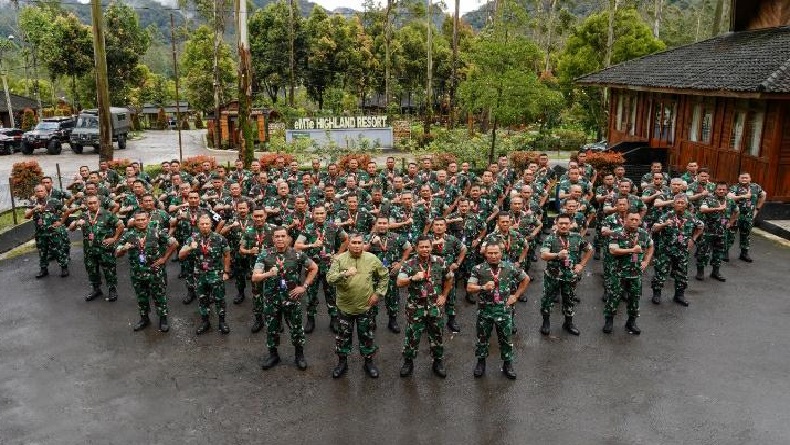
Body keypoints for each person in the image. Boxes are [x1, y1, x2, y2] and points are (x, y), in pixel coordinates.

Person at [253, 227, 318, 371]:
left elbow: (314, 268)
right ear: (273, 238)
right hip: (272, 298)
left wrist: (304, 286)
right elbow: (255, 276)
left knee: (296, 328)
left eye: (283, 236)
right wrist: (268, 274)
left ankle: (299, 355)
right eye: (277, 236)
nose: (280, 239)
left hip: (291, 298)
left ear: (288, 238)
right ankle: (273, 355)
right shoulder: (265, 254)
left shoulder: (297, 254)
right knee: (272, 328)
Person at [326, 233, 389, 379]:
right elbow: (329, 278)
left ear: (363, 244)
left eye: (359, 243)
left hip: (365, 307)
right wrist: (345, 274)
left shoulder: (371, 258)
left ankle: (369, 362)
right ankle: (342, 362)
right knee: (343, 337)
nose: (356, 245)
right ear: (348, 244)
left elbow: (384, 275)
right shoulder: (340, 259)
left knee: (366, 336)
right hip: (344, 308)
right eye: (353, 242)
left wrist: (378, 294)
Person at [466, 243, 529, 379]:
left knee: (506, 338)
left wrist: (515, 296)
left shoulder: (509, 267)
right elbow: (469, 288)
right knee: (482, 338)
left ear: (501, 253)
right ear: (485, 254)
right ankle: (481, 362)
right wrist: (482, 287)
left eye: (496, 253)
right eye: (490, 253)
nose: (493, 256)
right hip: (485, 311)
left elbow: (525, 279)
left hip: (504, 310)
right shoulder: (478, 269)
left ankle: (508, 364)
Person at [396, 236, 454, 378]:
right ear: (416, 248)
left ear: (431, 247)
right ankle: (408, 361)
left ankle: (438, 361)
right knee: (412, 335)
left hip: (435, 306)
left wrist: (444, 296)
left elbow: (449, 278)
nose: (425, 249)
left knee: (437, 335)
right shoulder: (409, 264)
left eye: (427, 246)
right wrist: (412, 278)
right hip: (415, 307)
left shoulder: (440, 262)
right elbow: (399, 282)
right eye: (421, 247)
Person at [116, 210, 179, 332]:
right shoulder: (129, 235)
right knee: (141, 297)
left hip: (155, 271)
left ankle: (163, 319)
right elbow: (117, 253)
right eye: (138, 220)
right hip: (137, 273)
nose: (141, 222)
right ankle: (144, 318)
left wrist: (164, 259)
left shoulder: (156, 232)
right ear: (134, 221)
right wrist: (124, 249)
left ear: (148, 219)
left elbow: (175, 244)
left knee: (159, 295)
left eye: (143, 219)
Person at [294, 205, 348, 334]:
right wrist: (312, 244)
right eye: (317, 213)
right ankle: (310, 319)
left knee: (331, 294)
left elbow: (346, 239)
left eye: (322, 213)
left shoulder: (333, 227)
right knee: (311, 294)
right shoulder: (308, 228)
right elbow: (297, 246)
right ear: (312, 214)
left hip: (330, 266)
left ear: (326, 214)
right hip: (313, 267)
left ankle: (334, 319)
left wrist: (339, 254)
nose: (319, 216)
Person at [539, 213, 593, 336]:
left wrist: (581, 265)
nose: (563, 226)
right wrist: (557, 255)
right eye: (561, 223)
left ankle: (568, 323)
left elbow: (589, 249)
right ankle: (546, 322)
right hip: (553, 276)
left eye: (566, 223)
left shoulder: (577, 237)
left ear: (570, 224)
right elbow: (543, 255)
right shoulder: (550, 239)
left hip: (570, 276)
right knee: (547, 299)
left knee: (569, 299)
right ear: (556, 224)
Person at [179, 214, 232, 335]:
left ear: (211, 225)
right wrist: (189, 249)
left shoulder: (219, 238)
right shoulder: (193, 239)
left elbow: (227, 255)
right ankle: (205, 322)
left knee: (219, 299)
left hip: (216, 274)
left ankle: (222, 321)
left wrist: (226, 272)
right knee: (202, 299)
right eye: (202, 224)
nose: (204, 226)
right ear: (198, 225)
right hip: (200, 275)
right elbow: (180, 256)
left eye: (207, 224)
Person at [605, 211, 654, 335]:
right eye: (631, 219)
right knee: (613, 297)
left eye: (636, 220)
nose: (634, 222)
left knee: (634, 299)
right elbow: (613, 250)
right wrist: (632, 250)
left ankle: (631, 322)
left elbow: (651, 246)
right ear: (626, 219)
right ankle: (609, 321)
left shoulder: (643, 234)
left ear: (639, 221)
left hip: (635, 273)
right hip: (618, 272)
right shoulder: (617, 233)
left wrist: (646, 261)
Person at [650, 195, 704, 306]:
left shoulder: (691, 217)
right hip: (666, 251)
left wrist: (693, 239)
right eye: (677, 202)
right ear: (673, 204)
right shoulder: (667, 215)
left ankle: (679, 295)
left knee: (681, 274)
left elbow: (701, 226)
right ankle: (657, 294)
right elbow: (654, 228)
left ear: (686, 204)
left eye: (682, 202)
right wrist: (664, 224)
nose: (680, 204)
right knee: (660, 272)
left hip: (682, 251)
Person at [69, 195, 124, 302]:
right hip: (89, 250)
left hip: (105, 250)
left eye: (94, 202)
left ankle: (112, 290)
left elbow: (120, 226)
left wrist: (114, 238)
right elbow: (71, 228)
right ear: (86, 204)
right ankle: (96, 289)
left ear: (98, 202)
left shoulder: (107, 214)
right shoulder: (83, 215)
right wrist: (76, 223)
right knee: (92, 270)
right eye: (90, 203)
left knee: (109, 270)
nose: (93, 205)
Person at [363, 216, 412, 333]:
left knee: (392, 297)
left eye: (385, 223)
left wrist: (401, 263)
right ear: (376, 224)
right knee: (372, 297)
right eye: (380, 223)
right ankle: (372, 320)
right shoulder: (369, 237)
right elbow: (360, 250)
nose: (382, 225)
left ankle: (392, 320)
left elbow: (409, 248)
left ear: (388, 225)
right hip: (373, 275)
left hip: (391, 274)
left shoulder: (396, 237)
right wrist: (370, 243)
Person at [695, 181, 738, 282]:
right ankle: (700, 272)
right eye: (719, 189)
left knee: (718, 252)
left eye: (724, 189)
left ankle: (715, 272)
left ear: (727, 191)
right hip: (707, 231)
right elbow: (702, 209)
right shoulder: (709, 199)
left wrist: (731, 222)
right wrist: (718, 209)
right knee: (703, 252)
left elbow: (736, 211)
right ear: (715, 190)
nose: (721, 191)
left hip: (722, 231)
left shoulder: (730, 200)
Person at [25, 184, 70, 278]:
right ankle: (44, 269)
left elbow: (67, 211)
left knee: (58, 250)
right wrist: (34, 209)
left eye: (42, 191)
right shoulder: (32, 203)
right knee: (42, 252)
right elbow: (26, 216)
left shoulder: (54, 201)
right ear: (35, 193)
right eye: (38, 191)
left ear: (45, 192)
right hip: (40, 233)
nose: (40, 193)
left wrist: (61, 222)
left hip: (53, 231)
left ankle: (64, 267)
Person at [727, 172, 766, 263]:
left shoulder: (755, 187)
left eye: (746, 178)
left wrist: (757, 209)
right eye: (742, 177)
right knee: (730, 234)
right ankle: (725, 252)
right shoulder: (734, 187)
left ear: (750, 178)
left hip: (748, 216)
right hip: (736, 215)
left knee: (746, 235)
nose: (744, 179)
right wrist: (743, 196)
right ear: (738, 178)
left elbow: (763, 194)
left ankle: (744, 253)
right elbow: (730, 197)